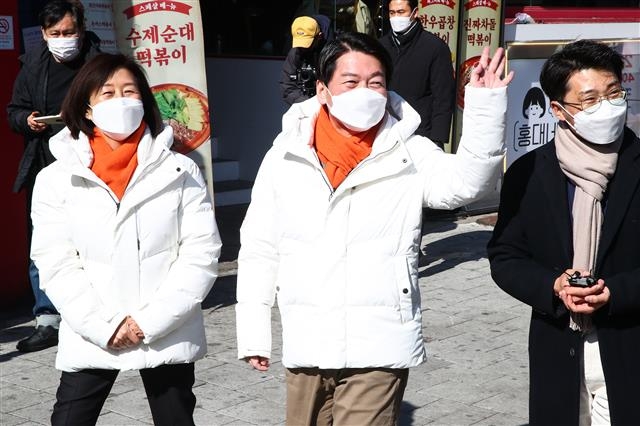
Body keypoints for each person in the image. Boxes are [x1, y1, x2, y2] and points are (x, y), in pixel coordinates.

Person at [236, 31, 512, 424]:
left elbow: (466, 184)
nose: (364, 92)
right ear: (323, 89)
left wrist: (484, 106)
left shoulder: (408, 151)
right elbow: (260, 246)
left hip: (381, 337)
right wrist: (253, 332)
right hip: (308, 336)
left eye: (376, 82)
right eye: (351, 82)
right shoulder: (285, 155)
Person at [29, 52, 222, 425]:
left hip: (165, 328)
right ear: (86, 107)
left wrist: (149, 322)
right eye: (108, 93)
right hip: (93, 328)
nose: (121, 101)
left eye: (130, 92)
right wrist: (106, 326)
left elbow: (202, 252)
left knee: (176, 419)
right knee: (69, 419)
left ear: (144, 102)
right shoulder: (56, 179)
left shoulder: (180, 170)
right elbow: (55, 260)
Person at [487, 39, 639, 425]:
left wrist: (615, 293)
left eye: (614, 94)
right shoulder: (528, 173)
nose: (605, 108)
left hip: (628, 345)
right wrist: (553, 286)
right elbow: (506, 256)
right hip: (559, 345)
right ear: (557, 110)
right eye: (589, 101)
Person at [7, 0, 101, 353]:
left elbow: (121, 105)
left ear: (81, 30)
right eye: (55, 33)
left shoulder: (100, 63)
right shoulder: (32, 65)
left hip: (91, 163)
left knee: (91, 237)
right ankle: (47, 318)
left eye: (69, 32)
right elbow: (13, 111)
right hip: (44, 165)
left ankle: (93, 312)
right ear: (44, 34)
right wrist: (26, 120)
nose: (63, 39)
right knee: (44, 242)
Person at [379, 0, 455, 148]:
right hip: (385, 133)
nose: (396, 18)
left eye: (401, 12)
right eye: (392, 13)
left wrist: (437, 140)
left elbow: (443, 98)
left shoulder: (435, 47)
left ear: (415, 13)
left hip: (421, 134)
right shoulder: (380, 47)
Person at [280, 15, 330, 105]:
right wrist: (307, 104)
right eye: (300, 42)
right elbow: (288, 86)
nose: (302, 48)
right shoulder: (296, 51)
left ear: (319, 37)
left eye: (307, 44)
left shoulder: (334, 50)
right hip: (305, 104)